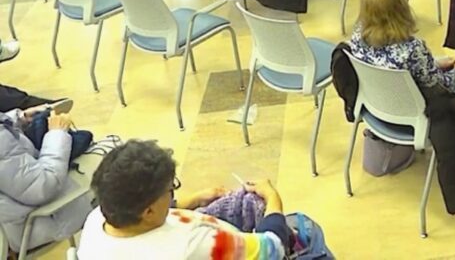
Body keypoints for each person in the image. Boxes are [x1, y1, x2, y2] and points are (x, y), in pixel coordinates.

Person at [78, 140, 290, 259]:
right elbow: (273, 248)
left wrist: (196, 199)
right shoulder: (191, 246)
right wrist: (272, 197)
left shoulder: (98, 219)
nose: (173, 194)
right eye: (170, 190)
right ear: (148, 212)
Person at [0, 105, 92, 255]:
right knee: (115, 162)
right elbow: (43, 187)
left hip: (21, 210)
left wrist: (19, 118)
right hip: (35, 223)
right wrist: (58, 133)